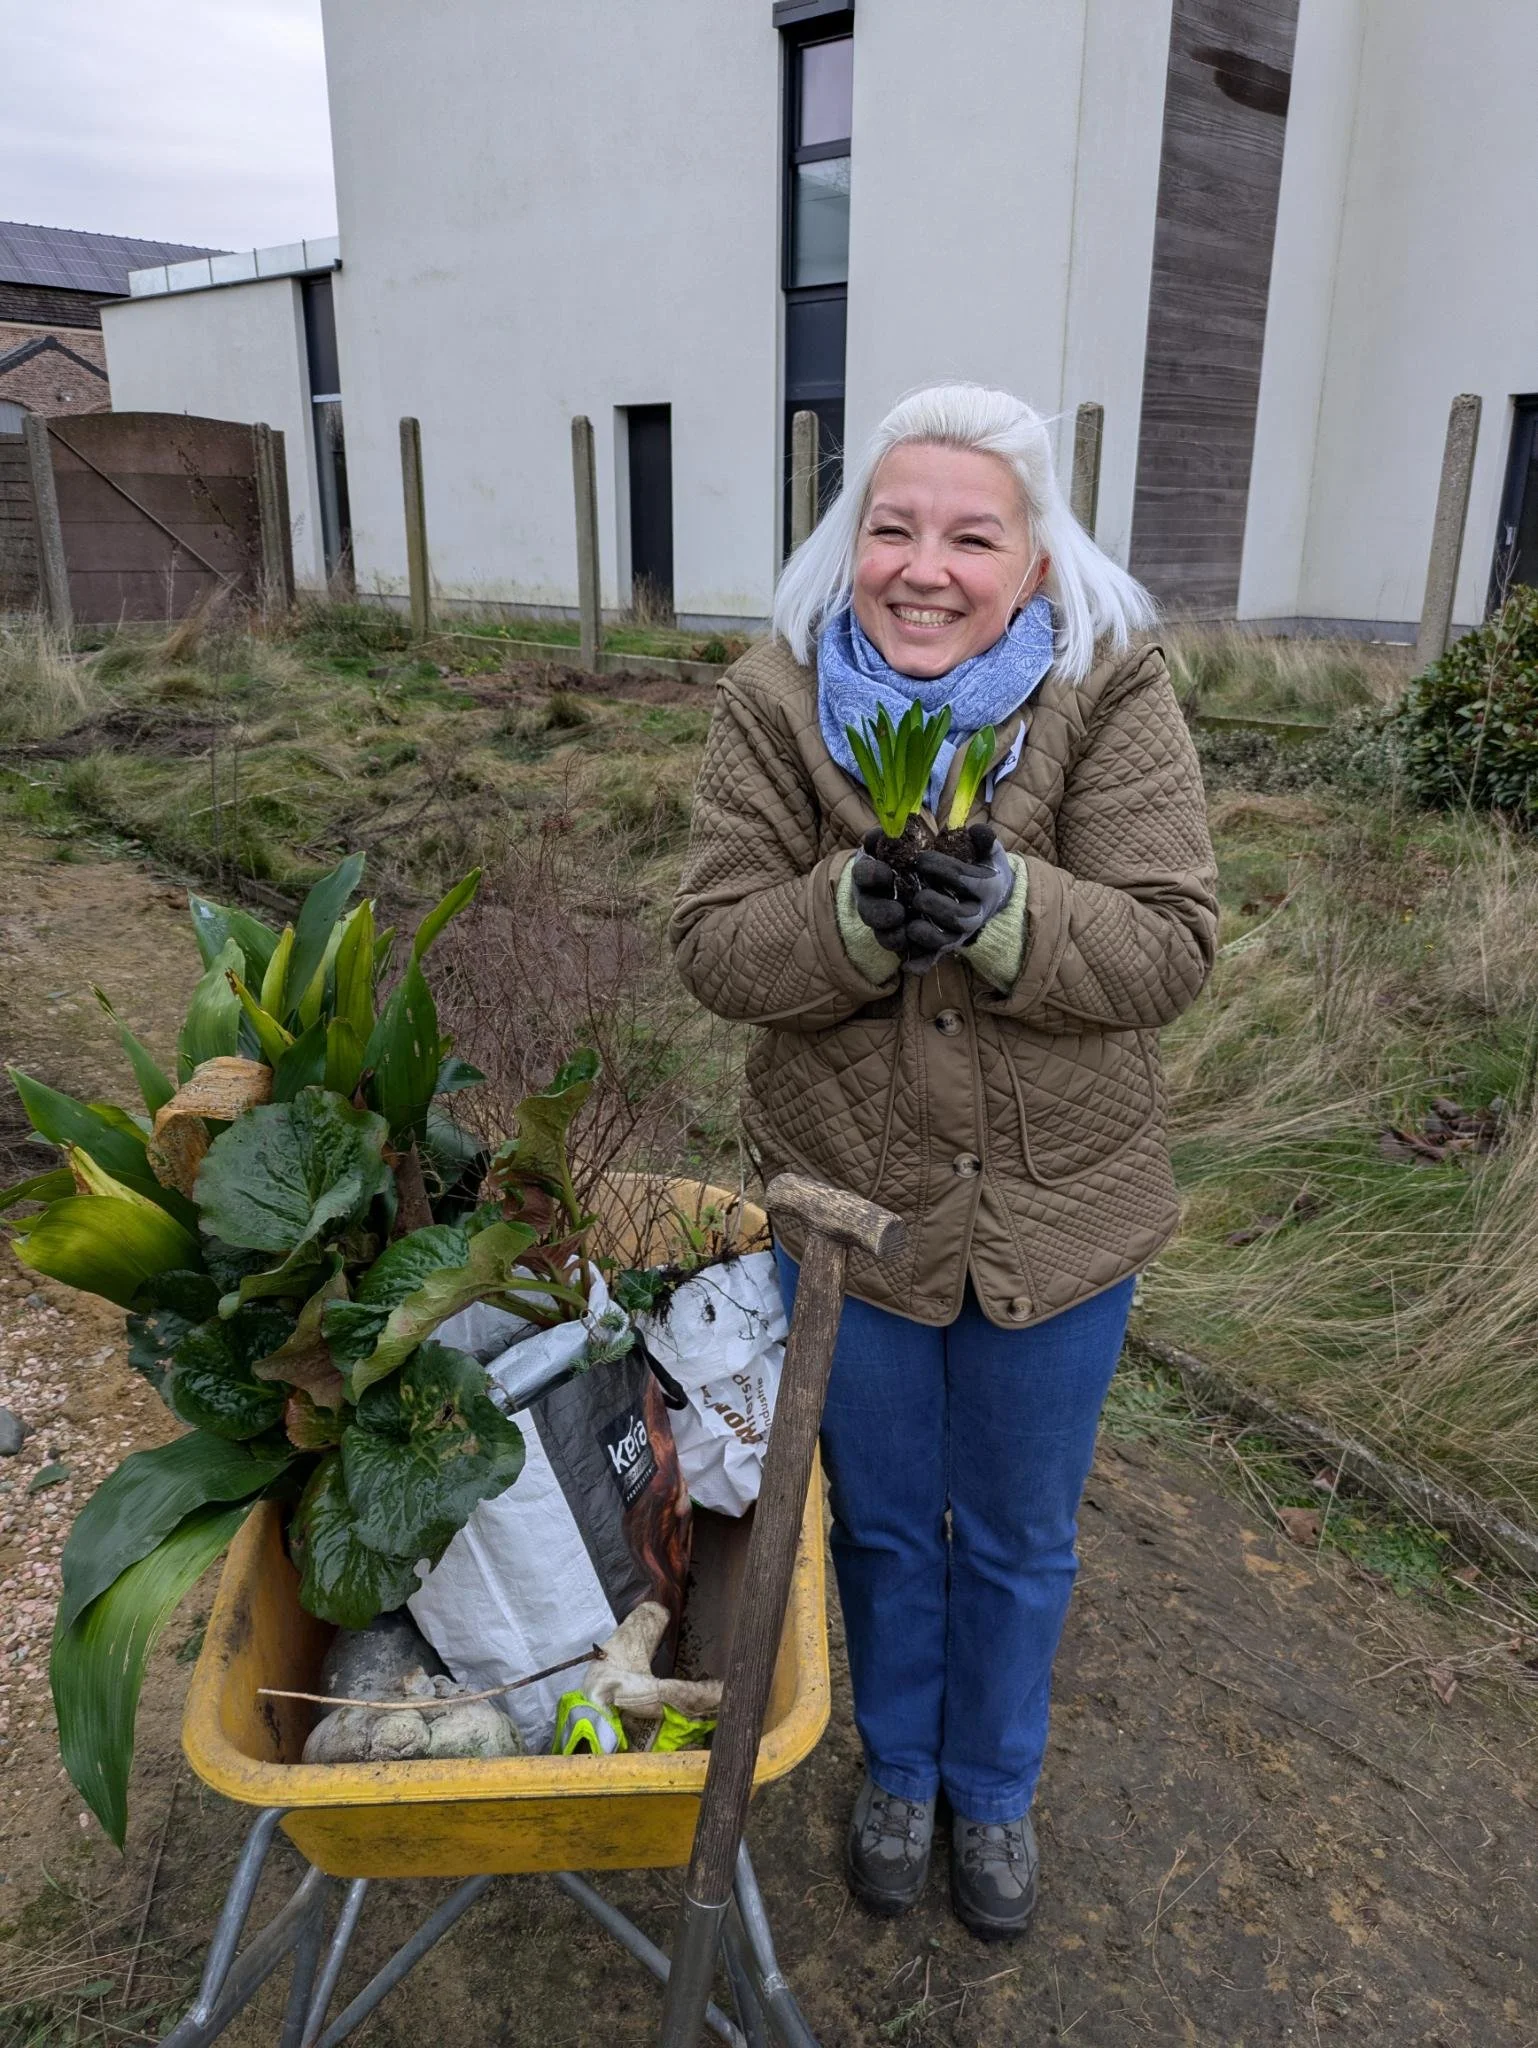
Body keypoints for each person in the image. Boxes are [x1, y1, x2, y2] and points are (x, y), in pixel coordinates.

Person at [670, 383, 1217, 1941]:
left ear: (1033, 563)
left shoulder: (1109, 694)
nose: (924, 565)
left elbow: (1170, 943)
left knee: (1023, 1536)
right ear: (850, 548)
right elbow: (711, 942)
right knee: (884, 1521)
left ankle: (993, 1791)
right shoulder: (774, 706)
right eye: (890, 528)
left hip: (1063, 1217)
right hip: (853, 1212)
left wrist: (1008, 914)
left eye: (970, 535)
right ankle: (898, 1770)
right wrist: (846, 916)